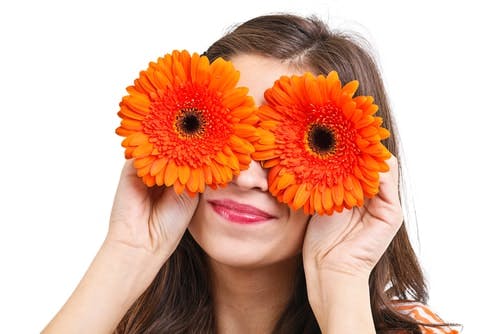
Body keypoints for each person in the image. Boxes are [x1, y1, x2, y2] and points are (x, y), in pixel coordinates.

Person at [42, 14, 459, 334]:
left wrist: (342, 285)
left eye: (282, 146)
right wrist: (130, 249)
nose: (245, 178)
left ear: (351, 172)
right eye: (228, 136)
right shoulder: (105, 320)